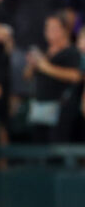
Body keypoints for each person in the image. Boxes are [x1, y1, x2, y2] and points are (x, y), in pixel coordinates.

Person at [24, 14, 82, 143]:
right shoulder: (44, 52)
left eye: (54, 28)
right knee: (39, 146)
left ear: (64, 30)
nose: (49, 32)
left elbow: (75, 76)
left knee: (57, 147)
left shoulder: (71, 52)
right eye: (47, 28)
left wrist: (45, 67)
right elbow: (27, 77)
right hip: (40, 107)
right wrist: (32, 65)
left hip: (61, 109)